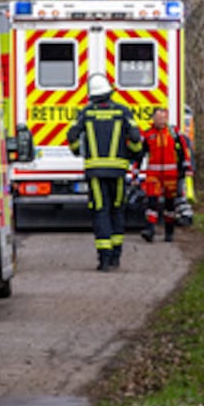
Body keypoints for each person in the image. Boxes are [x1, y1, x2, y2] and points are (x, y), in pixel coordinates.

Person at [66, 74, 143, 271]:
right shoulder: (123, 112)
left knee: (100, 211)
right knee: (117, 210)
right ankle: (116, 256)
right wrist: (134, 155)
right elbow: (135, 137)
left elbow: (72, 135)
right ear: (109, 92)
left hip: (95, 173)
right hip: (118, 171)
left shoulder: (86, 113)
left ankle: (104, 259)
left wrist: (77, 150)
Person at [137, 108, 194, 243]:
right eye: (158, 118)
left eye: (163, 118)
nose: (161, 121)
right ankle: (149, 230)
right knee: (152, 203)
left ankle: (169, 232)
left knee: (169, 206)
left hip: (171, 175)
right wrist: (135, 172)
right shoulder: (148, 135)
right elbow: (140, 155)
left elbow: (184, 151)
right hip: (153, 175)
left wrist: (187, 167)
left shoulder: (173, 134)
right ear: (153, 119)